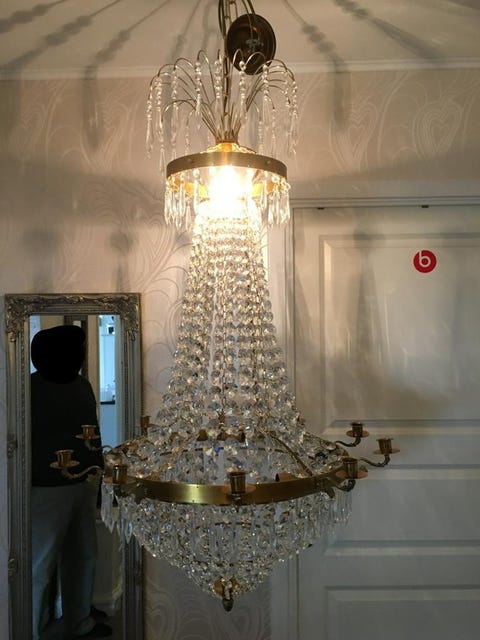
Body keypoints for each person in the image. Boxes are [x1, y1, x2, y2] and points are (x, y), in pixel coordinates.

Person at [30, 324, 112, 639]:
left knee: (83, 555)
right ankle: (32, 627)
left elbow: (92, 433)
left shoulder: (83, 386)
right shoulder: (29, 388)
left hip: (83, 483)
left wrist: (100, 477)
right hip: (44, 487)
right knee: (41, 562)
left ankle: (79, 621)